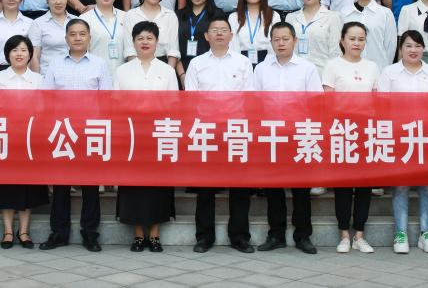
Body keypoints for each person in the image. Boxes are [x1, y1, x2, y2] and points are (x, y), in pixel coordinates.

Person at [40, 19, 113, 252]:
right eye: (73, 34)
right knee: (60, 184)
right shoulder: (55, 64)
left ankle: (90, 233)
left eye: (82, 34)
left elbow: (107, 100)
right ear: (66, 39)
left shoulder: (100, 64)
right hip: (62, 130)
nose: (78, 38)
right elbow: (46, 98)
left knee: (90, 185)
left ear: (89, 38)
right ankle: (58, 233)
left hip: (90, 131)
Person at [184, 13, 255, 253]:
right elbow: (191, 99)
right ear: (206, 36)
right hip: (207, 130)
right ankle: (204, 237)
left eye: (224, 29)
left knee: (240, 186)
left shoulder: (242, 62)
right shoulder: (196, 63)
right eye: (214, 30)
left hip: (236, 129)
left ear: (231, 35)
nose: (219, 33)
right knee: (205, 187)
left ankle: (240, 236)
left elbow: (249, 97)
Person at [253, 22, 322, 254]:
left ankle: (303, 235)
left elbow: (316, 103)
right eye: (276, 39)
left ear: (294, 41)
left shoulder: (307, 68)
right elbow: (254, 102)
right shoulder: (261, 69)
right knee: (273, 188)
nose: (281, 43)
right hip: (271, 134)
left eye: (285, 39)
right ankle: (276, 235)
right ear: (271, 42)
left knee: (301, 188)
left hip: (299, 133)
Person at [377, 30, 428, 254]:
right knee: (400, 186)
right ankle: (400, 233)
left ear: (423, 48)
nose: (413, 50)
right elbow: (382, 106)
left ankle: (427, 233)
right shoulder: (389, 72)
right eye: (408, 45)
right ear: (400, 49)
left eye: (417, 45)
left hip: (427, 136)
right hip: (399, 136)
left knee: (427, 187)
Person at [115, 21, 178, 252]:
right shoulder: (122, 71)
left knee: (157, 185)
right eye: (140, 38)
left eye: (149, 38)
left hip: (159, 134)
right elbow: (116, 104)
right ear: (133, 42)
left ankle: (155, 234)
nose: (145, 42)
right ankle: (138, 235)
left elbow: (174, 103)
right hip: (131, 135)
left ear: (157, 42)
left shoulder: (167, 70)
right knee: (134, 185)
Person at [0, 35, 49, 248]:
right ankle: (8, 231)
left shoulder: (39, 79)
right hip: (6, 137)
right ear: (7, 54)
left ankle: (24, 231)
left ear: (30, 54)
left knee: (27, 185)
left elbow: (42, 107)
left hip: (30, 138)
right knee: (6, 185)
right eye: (14, 50)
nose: (19, 54)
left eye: (23, 50)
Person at [323, 22, 380, 253]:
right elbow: (328, 101)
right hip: (341, 130)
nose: (357, 43)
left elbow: (376, 101)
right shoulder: (332, 65)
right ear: (342, 40)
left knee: (364, 185)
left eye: (361, 39)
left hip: (365, 131)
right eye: (352, 38)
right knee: (344, 185)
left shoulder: (372, 67)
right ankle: (344, 235)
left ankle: (360, 235)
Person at [285, 0, 343, 74]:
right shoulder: (291, 17)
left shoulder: (333, 17)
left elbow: (336, 51)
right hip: (295, 72)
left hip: (321, 72)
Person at [342, 0, 396, 72]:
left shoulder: (385, 13)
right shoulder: (345, 12)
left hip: (378, 70)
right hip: (349, 70)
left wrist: (384, 69)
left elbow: (390, 46)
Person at [123, 0, 181, 69]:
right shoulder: (130, 15)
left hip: (164, 65)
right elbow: (129, 50)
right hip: (136, 66)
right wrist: (137, 72)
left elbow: (173, 50)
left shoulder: (170, 16)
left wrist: (168, 73)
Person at [175, 0, 220, 81]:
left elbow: (220, 47)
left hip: (209, 72)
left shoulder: (217, 15)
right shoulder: (177, 15)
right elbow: (173, 48)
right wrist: (182, 75)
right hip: (181, 70)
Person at [80, 0, 129, 74]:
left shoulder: (126, 17)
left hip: (122, 76)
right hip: (95, 75)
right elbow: (81, 53)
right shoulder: (84, 19)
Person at [229, 0, 280, 65]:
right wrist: (239, 65)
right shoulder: (234, 17)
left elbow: (275, 43)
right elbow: (233, 45)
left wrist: (267, 65)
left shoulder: (274, 16)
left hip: (268, 62)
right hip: (240, 63)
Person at [28, 0, 71, 73]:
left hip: (75, 74)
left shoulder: (77, 21)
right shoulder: (38, 23)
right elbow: (34, 56)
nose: (58, 2)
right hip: (48, 74)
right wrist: (37, 79)